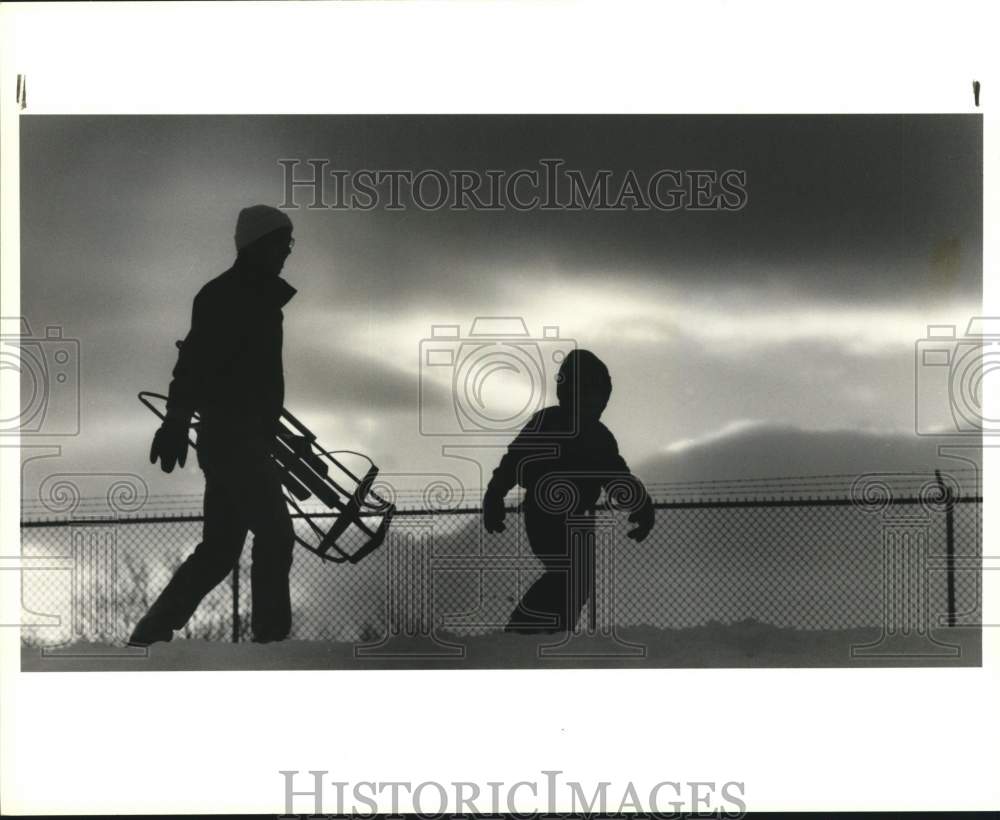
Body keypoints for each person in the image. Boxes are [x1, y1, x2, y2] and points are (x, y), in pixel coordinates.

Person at [129, 205, 299, 646]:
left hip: (238, 439)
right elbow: (193, 365)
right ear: (260, 244)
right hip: (235, 440)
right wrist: (176, 420)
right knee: (275, 535)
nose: (288, 252)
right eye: (283, 242)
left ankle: (148, 635)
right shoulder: (226, 297)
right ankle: (271, 645)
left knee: (220, 551)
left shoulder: (254, 297)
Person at [483, 349, 655, 633]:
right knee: (569, 574)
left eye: (600, 396)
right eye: (591, 394)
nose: (596, 402)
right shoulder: (550, 423)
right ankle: (523, 631)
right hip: (545, 513)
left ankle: (552, 632)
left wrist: (641, 506)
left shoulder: (597, 435)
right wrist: (494, 496)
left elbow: (616, 476)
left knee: (577, 580)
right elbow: (514, 461)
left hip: (577, 517)